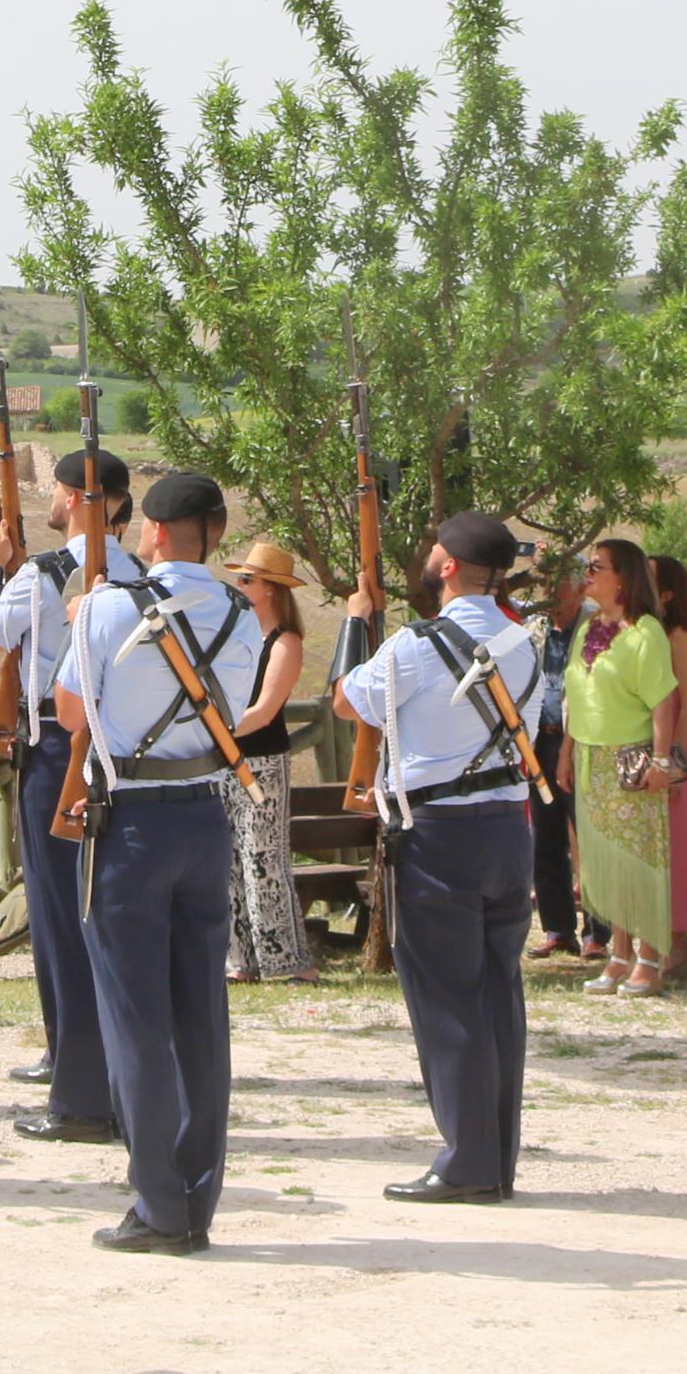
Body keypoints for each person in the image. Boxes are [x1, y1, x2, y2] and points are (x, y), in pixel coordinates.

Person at [57, 469, 269, 1252]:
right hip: (204, 816)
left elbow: (71, 711)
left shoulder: (112, 604)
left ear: (150, 530)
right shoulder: (241, 613)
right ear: (214, 530)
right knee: (200, 1019)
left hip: (132, 822)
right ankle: (195, 1195)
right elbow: (234, 714)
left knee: (136, 1018)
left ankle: (157, 1203)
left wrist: (84, 623)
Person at [332, 509, 543, 1205]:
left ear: (448, 564)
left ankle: (467, 1160)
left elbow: (346, 700)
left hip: (438, 832)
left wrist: (353, 625)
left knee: (448, 998)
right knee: (496, 994)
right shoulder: (524, 642)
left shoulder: (414, 645)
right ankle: (494, 1154)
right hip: (506, 829)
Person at [0, 447, 131, 1144]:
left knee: (63, 921)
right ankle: (87, 1062)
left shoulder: (38, 574)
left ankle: (79, 1082)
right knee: (105, 916)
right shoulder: (140, 573)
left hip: (57, 749)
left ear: (69, 496)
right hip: (121, 750)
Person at [562, 539, 679, 996]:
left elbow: (663, 700)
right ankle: (618, 954)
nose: (587, 573)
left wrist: (662, 760)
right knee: (604, 859)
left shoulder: (645, 630)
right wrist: (565, 751)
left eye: (596, 566)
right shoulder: (587, 626)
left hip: (631, 757)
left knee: (639, 857)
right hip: (589, 754)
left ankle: (650, 956)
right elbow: (574, 693)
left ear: (623, 577)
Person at [213, 538, 316, 985]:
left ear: (270, 588)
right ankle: (242, 959)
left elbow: (265, 710)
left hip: (262, 763)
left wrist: (219, 734)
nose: (239, 584)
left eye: (248, 579)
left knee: (264, 860)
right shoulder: (241, 638)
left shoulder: (285, 642)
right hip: (227, 760)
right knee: (230, 861)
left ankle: (288, 960)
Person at [649, 554, 687, 980]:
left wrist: (673, 758)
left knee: (676, 843)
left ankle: (679, 942)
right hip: (656, 746)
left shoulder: (679, 636)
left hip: (674, 750)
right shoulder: (646, 634)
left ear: (668, 593)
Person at [525, 556, 586, 958]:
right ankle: (558, 928)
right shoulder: (535, 628)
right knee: (544, 838)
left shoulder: (595, 628)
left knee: (589, 837)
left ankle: (599, 932)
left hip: (580, 741)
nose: (550, 594)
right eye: (545, 584)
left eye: (559, 585)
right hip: (538, 742)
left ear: (581, 587)